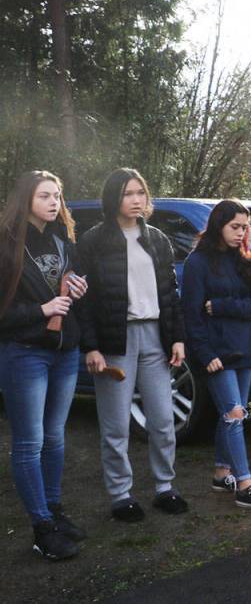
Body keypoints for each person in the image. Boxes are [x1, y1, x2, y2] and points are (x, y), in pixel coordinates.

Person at [78, 168, 188, 523]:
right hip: (114, 340)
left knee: (161, 419)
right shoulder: (94, 241)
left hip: (156, 337)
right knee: (115, 425)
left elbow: (171, 295)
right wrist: (91, 347)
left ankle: (164, 487)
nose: (137, 199)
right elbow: (85, 302)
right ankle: (121, 494)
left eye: (141, 192)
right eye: (128, 193)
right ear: (114, 198)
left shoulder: (157, 239)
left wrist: (178, 338)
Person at [0, 170, 89, 560]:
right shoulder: (5, 243)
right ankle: (41, 527)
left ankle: (54, 510)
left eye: (57, 195)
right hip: (25, 352)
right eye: (44, 196)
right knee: (29, 442)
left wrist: (76, 290)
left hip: (64, 351)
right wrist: (41, 309)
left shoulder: (61, 238)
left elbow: (64, 287)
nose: (54, 202)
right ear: (25, 200)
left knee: (55, 437)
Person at [182, 199, 251, 510]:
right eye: (234, 227)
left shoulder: (244, 260)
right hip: (216, 353)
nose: (241, 233)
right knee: (234, 414)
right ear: (218, 226)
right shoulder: (197, 263)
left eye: (244, 228)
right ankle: (245, 484)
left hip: (242, 348)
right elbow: (192, 315)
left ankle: (221, 473)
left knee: (234, 413)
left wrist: (222, 305)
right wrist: (205, 352)